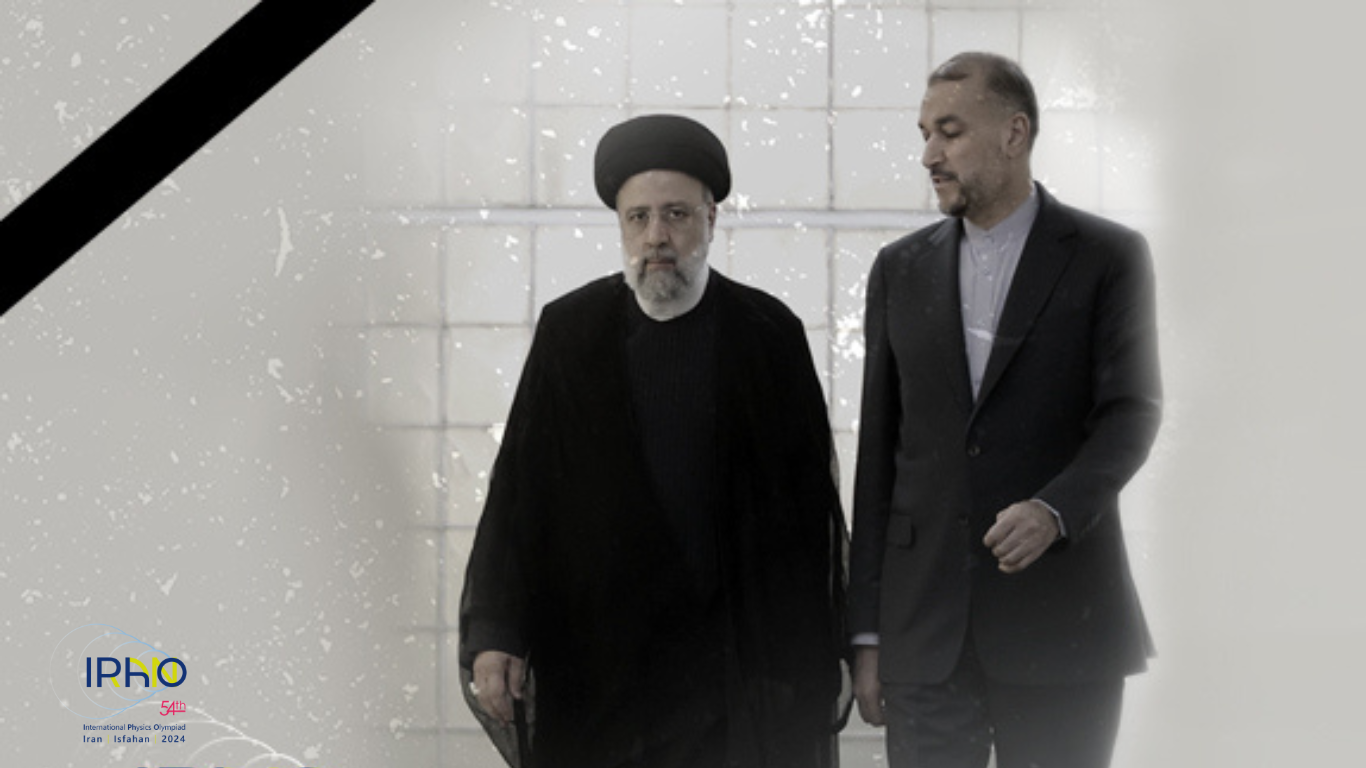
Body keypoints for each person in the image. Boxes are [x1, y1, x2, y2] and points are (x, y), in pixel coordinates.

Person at [458, 113, 850, 768]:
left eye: (676, 215)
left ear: (711, 220)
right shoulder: (570, 333)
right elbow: (521, 492)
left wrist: (813, 652)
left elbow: (810, 514)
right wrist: (496, 631)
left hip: (732, 672)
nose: (656, 236)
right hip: (601, 665)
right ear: (620, 226)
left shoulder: (768, 334)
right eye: (637, 218)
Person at [848, 52, 1162, 768]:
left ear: (1014, 134)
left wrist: (1055, 509)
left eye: (950, 132)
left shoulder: (1109, 256)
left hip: (1063, 625)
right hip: (924, 636)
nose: (929, 155)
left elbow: (1132, 413)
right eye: (924, 133)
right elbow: (879, 455)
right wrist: (866, 634)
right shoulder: (898, 269)